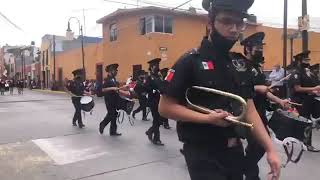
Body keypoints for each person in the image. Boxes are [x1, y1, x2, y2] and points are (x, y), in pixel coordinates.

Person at [158, 0, 281, 179]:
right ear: (210, 23)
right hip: (203, 155)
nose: (233, 29)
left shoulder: (238, 63)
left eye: (239, 23)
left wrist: (270, 149)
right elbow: (165, 107)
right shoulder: (190, 61)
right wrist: (207, 118)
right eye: (226, 21)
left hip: (235, 152)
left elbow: (249, 108)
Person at [240, 32, 290, 180]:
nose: (260, 50)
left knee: (258, 146)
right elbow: (238, 87)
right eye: (257, 47)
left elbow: (265, 91)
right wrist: (256, 88)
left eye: (261, 47)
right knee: (260, 144)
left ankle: (248, 170)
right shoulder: (241, 66)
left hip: (259, 112)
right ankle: (248, 172)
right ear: (248, 49)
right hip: (247, 112)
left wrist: (279, 101)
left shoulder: (258, 67)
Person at [290, 52, 320, 152]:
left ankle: (304, 142)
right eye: (305, 60)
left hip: (310, 100)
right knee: (305, 121)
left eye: (308, 60)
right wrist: (313, 88)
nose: (308, 62)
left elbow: (313, 85)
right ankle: (305, 144)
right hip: (300, 100)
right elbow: (297, 88)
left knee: (306, 122)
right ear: (299, 61)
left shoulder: (308, 72)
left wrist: (315, 91)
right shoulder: (296, 73)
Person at [99, 64, 130, 136]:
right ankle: (102, 124)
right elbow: (103, 89)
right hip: (109, 100)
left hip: (115, 99)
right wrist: (112, 88)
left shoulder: (114, 79)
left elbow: (117, 90)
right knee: (111, 114)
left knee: (115, 115)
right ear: (110, 71)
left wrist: (125, 91)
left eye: (116, 70)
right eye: (115, 70)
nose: (116, 71)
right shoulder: (106, 80)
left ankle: (112, 131)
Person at [145, 58, 166, 145]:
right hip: (153, 101)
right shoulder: (149, 77)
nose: (158, 67)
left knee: (160, 120)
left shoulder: (159, 76)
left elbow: (162, 86)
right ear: (152, 67)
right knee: (156, 119)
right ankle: (156, 139)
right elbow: (146, 87)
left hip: (160, 100)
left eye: (158, 65)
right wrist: (154, 90)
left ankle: (150, 131)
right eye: (156, 65)